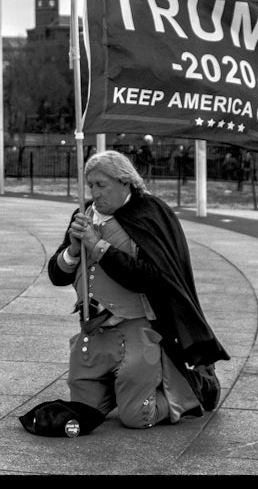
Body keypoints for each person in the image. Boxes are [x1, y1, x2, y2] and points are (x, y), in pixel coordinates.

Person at [37, 150, 230, 435]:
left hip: (137, 331)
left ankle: (197, 387)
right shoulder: (83, 214)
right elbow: (57, 275)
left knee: (137, 417)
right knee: (85, 413)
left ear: (125, 182)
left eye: (101, 184)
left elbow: (152, 278)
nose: (94, 192)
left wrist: (98, 247)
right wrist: (73, 251)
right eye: (90, 185)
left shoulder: (149, 213)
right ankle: (122, 389)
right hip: (93, 334)